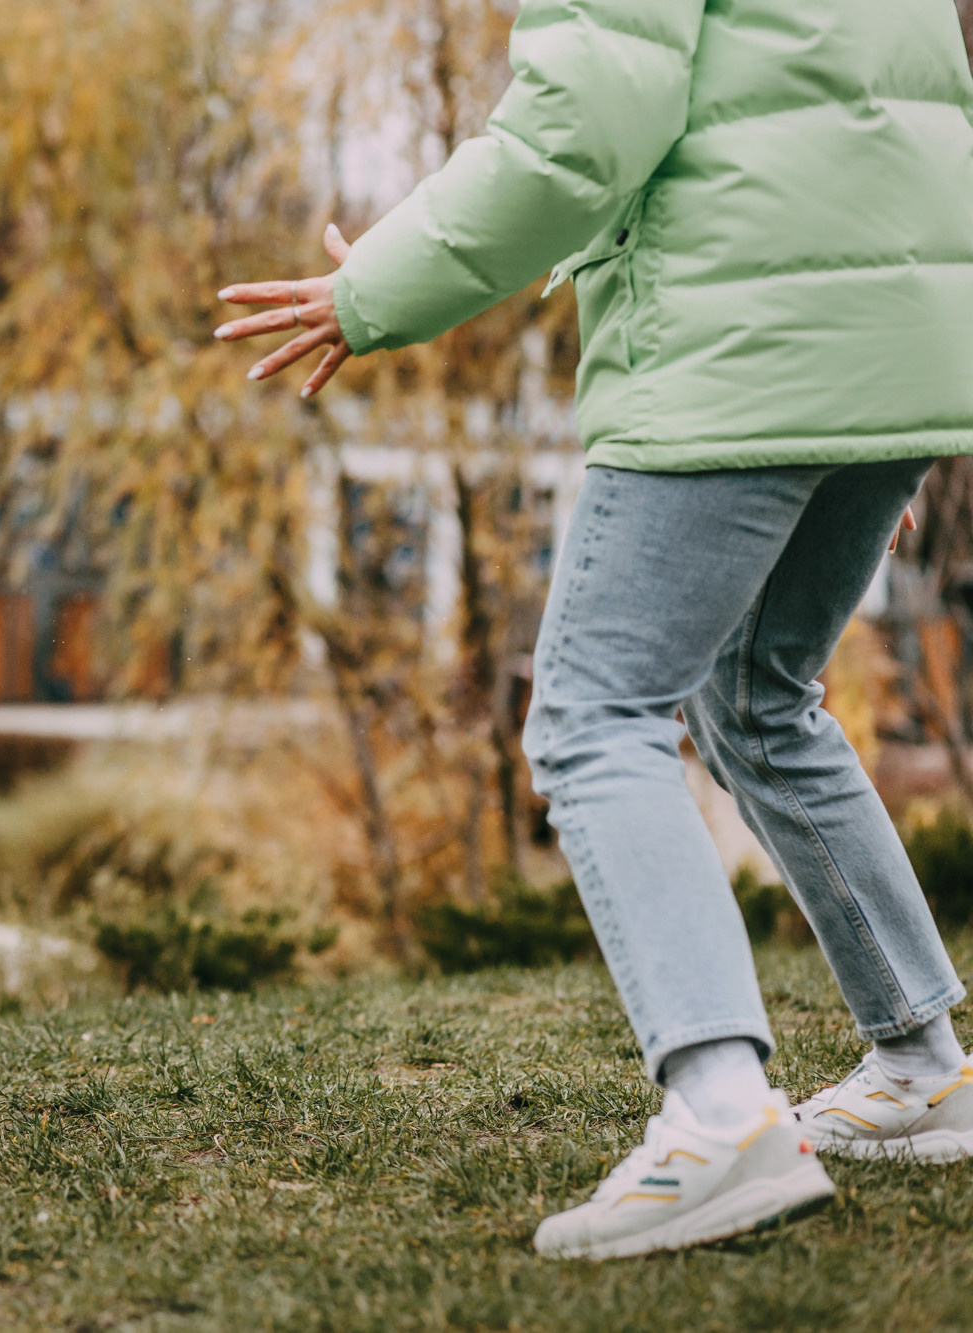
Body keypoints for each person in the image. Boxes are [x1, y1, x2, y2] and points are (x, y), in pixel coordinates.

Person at [216, 0, 973, 1260]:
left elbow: (580, 131)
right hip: (892, 354)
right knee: (755, 697)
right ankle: (921, 1068)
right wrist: (873, 384)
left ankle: (721, 1113)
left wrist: (372, 288)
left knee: (592, 712)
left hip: (745, 353)